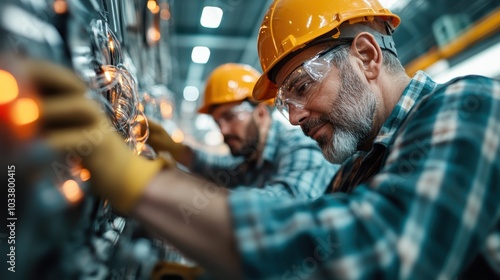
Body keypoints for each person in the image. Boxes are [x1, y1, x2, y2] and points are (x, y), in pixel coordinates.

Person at [26, 0, 499, 278]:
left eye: (301, 87)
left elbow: (383, 245)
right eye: (284, 101)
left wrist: (137, 183)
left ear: (368, 55)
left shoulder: (474, 106)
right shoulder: (359, 170)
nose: (292, 118)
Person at [146, 63, 338, 198]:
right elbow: (218, 167)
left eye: (229, 116)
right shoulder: (252, 159)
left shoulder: (302, 148)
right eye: (217, 122)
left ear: (261, 113)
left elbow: (284, 208)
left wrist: (174, 189)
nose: (223, 130)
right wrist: (175, 149)